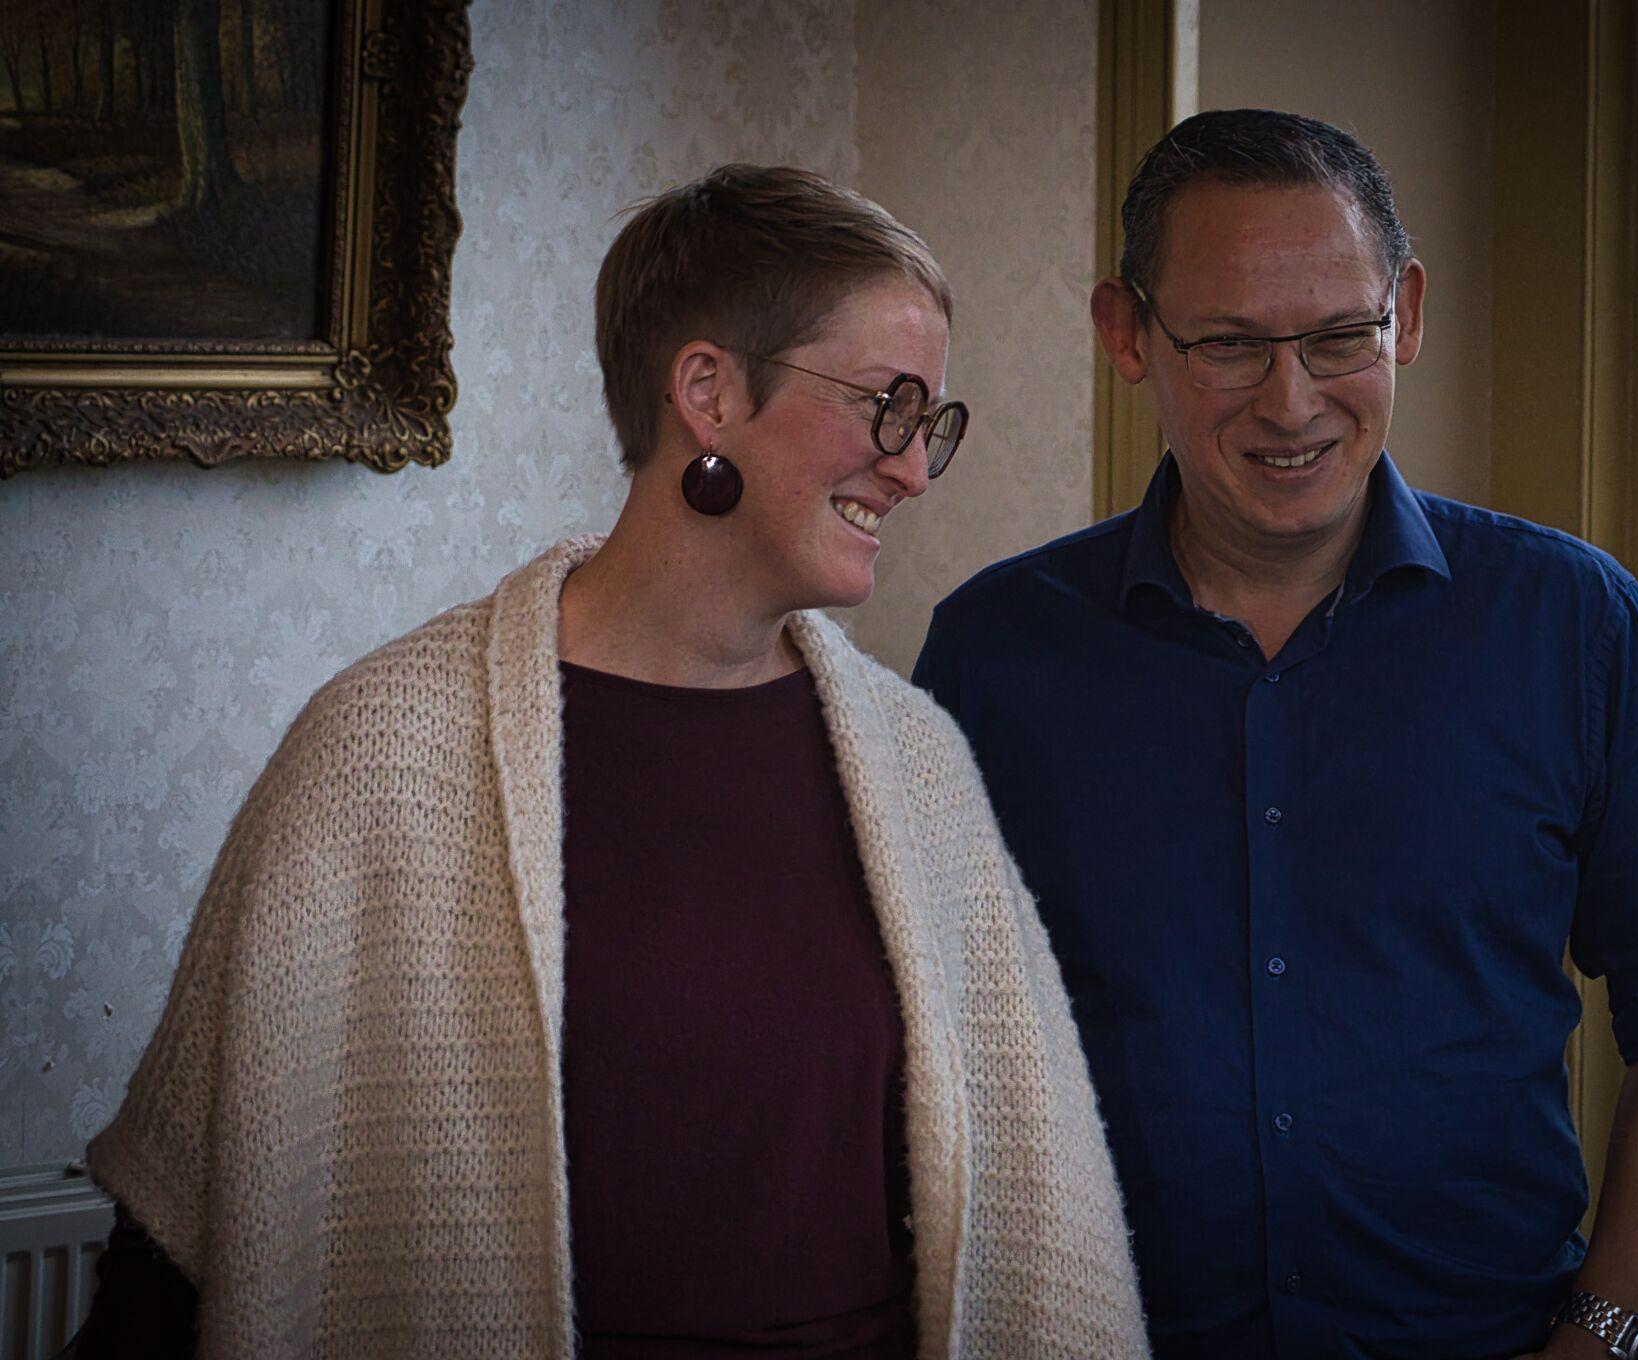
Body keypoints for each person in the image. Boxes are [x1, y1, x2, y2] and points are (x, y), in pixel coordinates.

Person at [75, 164, 1148, 1360]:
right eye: (884, 405)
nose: (911, 468)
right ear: (708, 392)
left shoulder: (918, 766)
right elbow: (180, 1244)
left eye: (928, 421)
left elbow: (1025, 1218)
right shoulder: (382, 753)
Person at [913, 110, 1638, 1360]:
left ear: (1407, 315)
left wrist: (1600, 1340)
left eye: (1339, 337)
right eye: (1228, 344)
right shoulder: (995, 651)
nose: (1292, 403)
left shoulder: (1573, 625)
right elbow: (913, 1050)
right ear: (1126, 334)